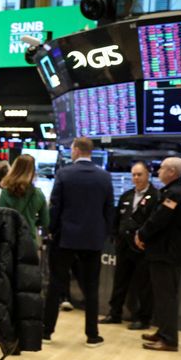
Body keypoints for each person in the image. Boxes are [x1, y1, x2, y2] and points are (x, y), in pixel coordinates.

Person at [42, 138, 114, 347]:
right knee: (91, 287)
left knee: (56, 284)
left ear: (76, 150)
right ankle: (92, 335)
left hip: (65, 237)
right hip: (92, 239)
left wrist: (52, 231)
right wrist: (104, 234)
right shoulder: (104, 176)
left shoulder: (64, 174)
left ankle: (47, 331)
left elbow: (55, 207)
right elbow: (109, 209)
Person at [135, 157, 181, 352]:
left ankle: (169, 339)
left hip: (167, 254)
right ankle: (163, 331)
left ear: (172, 172)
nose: (158, 171)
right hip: (163, 252)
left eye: (162, 169)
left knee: (166, 296)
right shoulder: (172, 191)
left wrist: (141, 234)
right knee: (161, 296)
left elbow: (159, 219)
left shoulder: (175, 193)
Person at [100, 162, 159, 330]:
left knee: (143, 284)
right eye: (133, 174)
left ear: (148, 175)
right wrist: (115, 235)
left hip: (142, 247)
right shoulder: (126, 195)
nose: (136, 178)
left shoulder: (156, 196)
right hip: (124, 245)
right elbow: (117, 219)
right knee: (120, 281)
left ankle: (143, 318)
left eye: (139, 174)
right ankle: (114, 313)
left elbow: (154, 222)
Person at [0, 155, 49, 241]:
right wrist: (31, 221)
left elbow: (0, 217)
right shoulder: (38, 194)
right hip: (29, 241)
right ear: (33, 171)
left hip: (9, 240)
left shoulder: (6, 192)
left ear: (14, 169)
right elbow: (45, 221)